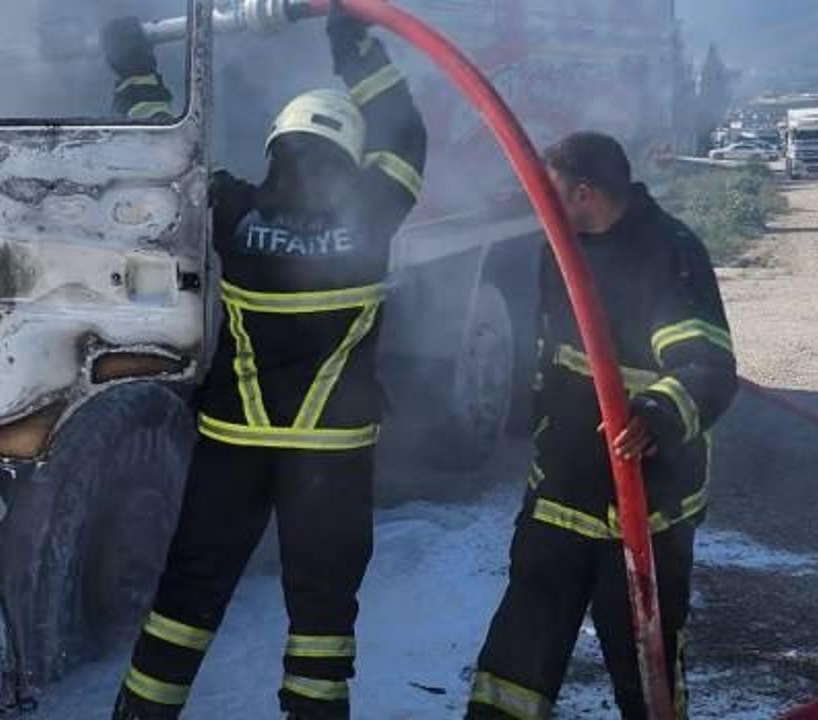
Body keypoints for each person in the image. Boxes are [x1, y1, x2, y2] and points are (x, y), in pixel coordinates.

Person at [101, 2, 427, 718]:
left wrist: (132, 67)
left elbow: (160, 155)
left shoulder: (231, 208)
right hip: (330, 456)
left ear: (277, 145)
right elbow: (406, 133)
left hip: (233, 448)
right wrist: (356, 48)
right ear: (348, 154)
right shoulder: (373, 212)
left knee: (189, 594)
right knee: (321, 614)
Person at [464, 132, 737, 719]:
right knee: (516, 662)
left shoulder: (667, 255)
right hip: (559, 494)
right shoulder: (558, 249)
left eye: (552, 191)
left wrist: (658, 413)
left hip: (643, 506)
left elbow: (709, 367)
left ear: (585, 192)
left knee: (646, 670)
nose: (540, 205)